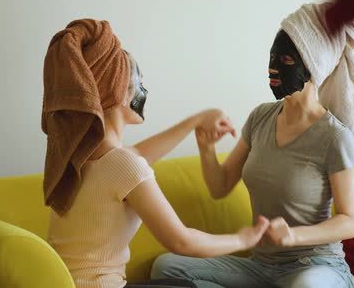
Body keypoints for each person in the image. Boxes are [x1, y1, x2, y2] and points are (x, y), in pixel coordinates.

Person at [151, 3, 354, 288]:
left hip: (315, 267)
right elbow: (220, 186)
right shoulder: (260, 117)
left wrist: (295, 236)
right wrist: (206, 148)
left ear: (312, 65)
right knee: (167, 267)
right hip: (261, 268)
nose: (273, 66)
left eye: (285, 59)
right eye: (271, 56)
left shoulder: (334, 137)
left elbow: (350, 221)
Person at [41, 19, 270, 288]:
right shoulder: (123, 165)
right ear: (118, 93)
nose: (145, 91)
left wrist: (197, 121)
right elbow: (180, 240)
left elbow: (136, 155)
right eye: (140, 83)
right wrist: (244, 239)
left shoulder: (80, 157)